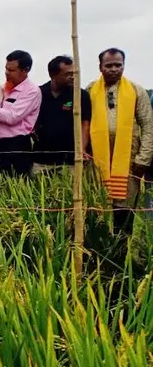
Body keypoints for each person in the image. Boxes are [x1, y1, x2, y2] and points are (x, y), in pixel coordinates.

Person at [86, 48, 153, 241]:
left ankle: (123, 247)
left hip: (129, 159)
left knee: (123, 207)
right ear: (100, 67)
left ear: (123, 65)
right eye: (109, 65)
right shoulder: (91, 90)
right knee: (97, 202)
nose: (114, 69)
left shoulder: (135, 90)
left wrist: (143, 158)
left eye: (118, 65)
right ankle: (100, 246)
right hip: (97, 160)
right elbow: (82, 122)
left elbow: (148, 125)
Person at [32, 55, 92, 175]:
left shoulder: (81, 95)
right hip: (41, 159)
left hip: (70, 161)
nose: (72, 77)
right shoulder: (38, 93)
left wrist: (82, 149)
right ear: (53, 75)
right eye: (68, 74)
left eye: (74, 73)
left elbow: (85, 123)